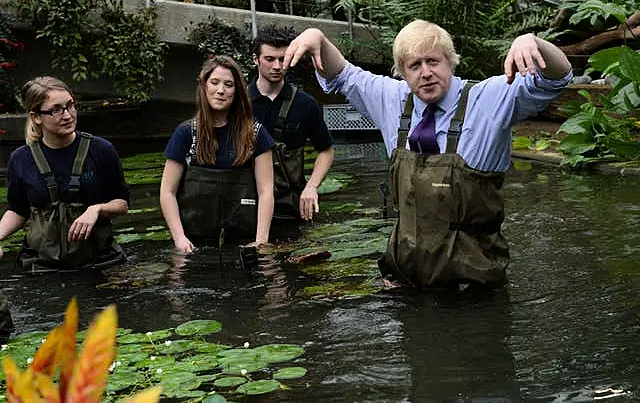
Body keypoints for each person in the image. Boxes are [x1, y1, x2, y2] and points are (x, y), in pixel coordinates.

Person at [283, 20, 572, 290]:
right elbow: (342, 74)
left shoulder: (491, 98)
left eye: (433, 61)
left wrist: (533, 42)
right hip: (405, 280)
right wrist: (317, 37)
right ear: (402, 71)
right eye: (415, 65)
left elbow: (557, 79)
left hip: (471, 286)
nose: (425, 72)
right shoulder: (391, 98)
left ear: (450, 61)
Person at [0, 76, 129, 271]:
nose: (68, 115)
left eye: (70, 105)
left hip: (100, 262)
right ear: (36, 117)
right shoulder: (21, 159)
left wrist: (96, 209)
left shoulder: (101, 150)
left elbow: (122, 204)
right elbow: (18, 211)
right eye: (56, 110)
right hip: (42, 266)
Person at [160, 55, 275, 254]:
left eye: (228, 85)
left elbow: (266, 191)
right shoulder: (186, 133)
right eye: (215, 82)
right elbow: (167, 192)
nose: (221, 90)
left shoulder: (256, 134)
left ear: (237, 91)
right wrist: (179, 238)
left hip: (244, 243)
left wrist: (261, 241)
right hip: (193, 244)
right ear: (204, 86)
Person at [249, 24, 334, 221]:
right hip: (247, 206)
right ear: (256, 60)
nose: (277, 66)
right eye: (269, 59)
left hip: (290, 207)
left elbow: (326, 150)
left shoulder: (305, 104)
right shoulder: (239, 103)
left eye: (282, 59)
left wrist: (312, 186)